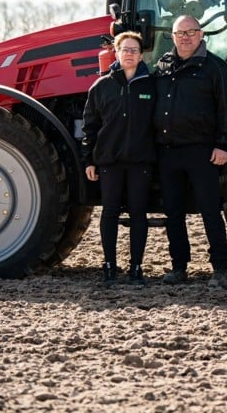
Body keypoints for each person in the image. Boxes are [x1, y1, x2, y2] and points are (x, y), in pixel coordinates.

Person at [154, 14, 227, 289]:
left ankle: (220, 269)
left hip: (202, 152)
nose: (185, 37)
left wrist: (223, 144)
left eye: (191, 32)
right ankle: (179, 267)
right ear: (173, 36)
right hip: (168, 152)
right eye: (180, 33)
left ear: (201, 35)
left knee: (209, 210)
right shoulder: (163, 66)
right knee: (173, 212)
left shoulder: (214, 67)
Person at [81, 31, 156, 287]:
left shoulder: (151, 85)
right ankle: (109, 266)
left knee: (138, 213)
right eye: (125, 49)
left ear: (142, 54)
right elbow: (90, 127)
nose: (130, 54)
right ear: (116, 52)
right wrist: (89, 160)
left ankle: (136, 268)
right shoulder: (101, 87)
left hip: (140, 162)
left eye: (134, 50)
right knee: (110, 212)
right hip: (109, 161)